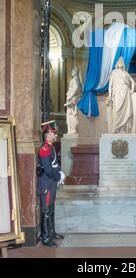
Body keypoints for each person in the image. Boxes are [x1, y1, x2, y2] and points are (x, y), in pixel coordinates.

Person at [37, 119, 65, 247]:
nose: (56, 135)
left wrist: (59, 174)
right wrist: (58, 175)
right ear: (48, 134)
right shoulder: (44, 149)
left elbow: (54, 165)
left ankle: (52, 232)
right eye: (54, 133)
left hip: (51, 183)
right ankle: (46, 237)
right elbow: (48, 170)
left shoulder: (50, 147)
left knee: (51, 209)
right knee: (46, 211)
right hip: (46, 184)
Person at [106, 56, 135, 134]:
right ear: (117, 63)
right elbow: (110, 85)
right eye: (119, 62)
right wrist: (110, 95)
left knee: (126, 112)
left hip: (125, 93)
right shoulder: (114, 72)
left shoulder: (126, 73)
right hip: (117, 93)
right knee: (117, 110)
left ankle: (122, 129)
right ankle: (116, 128)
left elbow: (132, 81)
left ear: (123, 64)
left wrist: (132, 90)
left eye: (122, 62)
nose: (120, 63)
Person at [65, 67, 82, 134]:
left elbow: (76, 88)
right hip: (74, 98)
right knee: (73, 115)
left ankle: (72, 130)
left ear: (75, 72)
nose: (71, 73)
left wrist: (70, 96)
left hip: (72, 99)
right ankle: (73, 129)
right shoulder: (77, 80)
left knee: (71, 115)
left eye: (72, 71)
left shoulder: (74, 80)